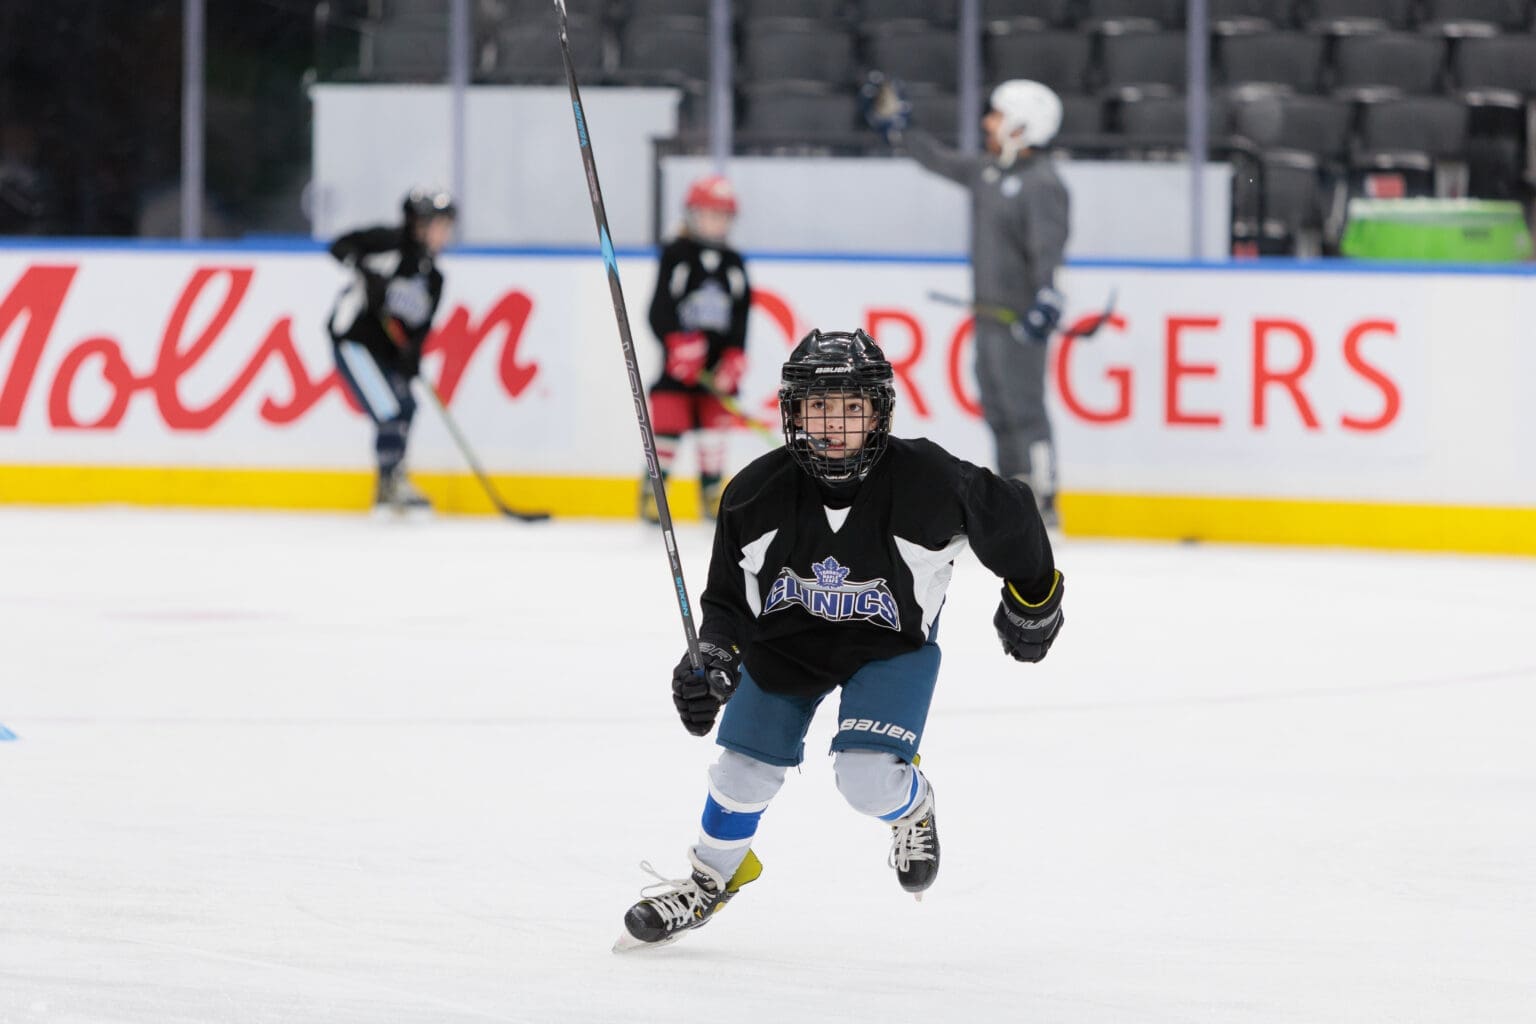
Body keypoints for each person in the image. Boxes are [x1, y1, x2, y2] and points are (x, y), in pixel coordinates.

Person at [614, 328, 1065, 951]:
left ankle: (912, 807)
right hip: (784, 644)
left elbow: (1012, 515)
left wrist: (1034, 598)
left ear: (879, 413)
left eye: (852, 407)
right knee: (740, 772)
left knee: (867, 781)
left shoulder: (930, 481)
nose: (834, 424)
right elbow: (727, 603)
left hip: (890, 646)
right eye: (818, 406)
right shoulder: (754, 494)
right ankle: (711, 878)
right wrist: (711, 659)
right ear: (793, 413)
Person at [869, 77, 1070, 528]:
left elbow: (1049, 251)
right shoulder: (988, 171)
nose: (987, 123)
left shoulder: (1042, 184)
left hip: (1020, 319)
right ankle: (1015, 491)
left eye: (996, 115)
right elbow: (939, 160)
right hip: (989, 317)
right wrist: (901, 129)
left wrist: (1048, 297)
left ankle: (1045, 497)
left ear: (1022, 125)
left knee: (1025, 408)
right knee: (998, 407)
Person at [326, 187, 456, 512]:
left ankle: (393, 478)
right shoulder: (389, 243)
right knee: (389, 409)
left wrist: (411, 356)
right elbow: (340, 246)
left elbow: (419, 330)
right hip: (353, 341)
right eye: (440, 225)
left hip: (384, 352)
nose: (445, 234)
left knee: (407, 405)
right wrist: (365, 271)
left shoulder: (434, 279)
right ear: (420, 224)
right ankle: (389, 485)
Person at [641, 174, 753, 523]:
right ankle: (654, 493)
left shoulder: (735, 263)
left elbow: (741, 314)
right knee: (669, 424)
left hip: (715, 373)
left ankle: (712, 493)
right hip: (678, 369)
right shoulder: (676, 254)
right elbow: (658, 309)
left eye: (722, 215)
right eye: (708, 214)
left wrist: (734, 357)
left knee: (713, 432)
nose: (715, 222)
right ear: (691, 214)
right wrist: (676, 343)